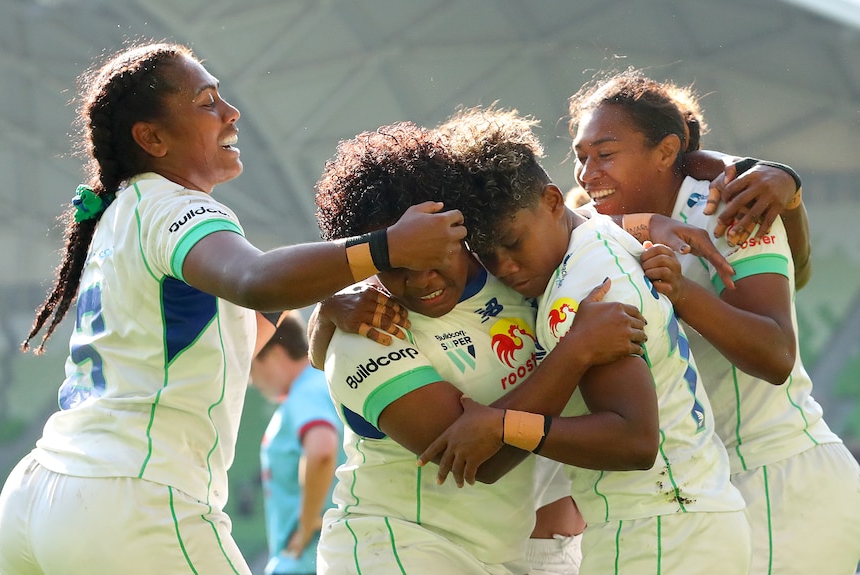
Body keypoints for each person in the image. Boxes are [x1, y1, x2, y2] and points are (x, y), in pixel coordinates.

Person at [0, 41, 467, 575]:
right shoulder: (177, 206)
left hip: (38, 496)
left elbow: (235, 329)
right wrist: (385, 247)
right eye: (206, 102)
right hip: (130, 498)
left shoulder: (119, 212)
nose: (231, 112)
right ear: (152, 138)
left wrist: (325, 301)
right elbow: (254, 280)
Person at [419, 106, 752, 575]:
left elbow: (634, 441)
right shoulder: (594, 235)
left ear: (553, 201)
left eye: (513, 243)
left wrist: (504, 425)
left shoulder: (585, 287)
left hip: (658, 531)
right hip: (687, 521)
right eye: (487, 255)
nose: (505, 268)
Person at [310, 120, 650, 575]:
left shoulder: (515, 272)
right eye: (396, 267)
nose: (420, 280)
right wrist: (576, 350)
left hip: (501, 557)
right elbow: (483, 460)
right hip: (395, 549)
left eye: (432, 257)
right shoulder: (365, 332)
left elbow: (577, 221)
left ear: (458, 228)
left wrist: (658, 228)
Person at [566, 68, 860, 574]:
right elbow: (552, 221)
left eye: (606, 154)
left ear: (665, 151)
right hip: (700, 493)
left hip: (779, 479)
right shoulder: (595, 225)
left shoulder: (730, 207)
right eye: (581, 157)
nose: (588, 172)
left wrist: (682, 292)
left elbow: (774, 356)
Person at [251, 311, 345, 575]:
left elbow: (322, 450)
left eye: (251, 366)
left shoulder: (307, 390)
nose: (250, 380)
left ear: (274, 354)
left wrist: (305, 527)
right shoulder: (316, 385)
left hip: (306, 559)